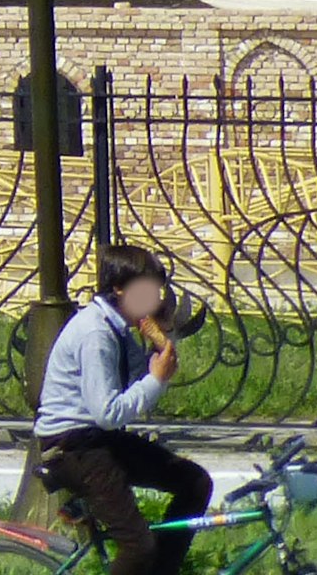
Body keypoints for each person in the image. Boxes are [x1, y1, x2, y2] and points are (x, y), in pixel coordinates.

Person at [35, 246, 212, 575]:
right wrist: (156, 381)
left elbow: (134, 382)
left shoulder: (118, 328)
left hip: (99, 440)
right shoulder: (96, 334)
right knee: (137, 546)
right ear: (119, 289)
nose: (154, 300)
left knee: (195, 483)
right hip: (73, 446)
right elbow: (109, 412)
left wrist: (160, 351)